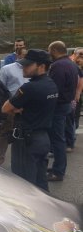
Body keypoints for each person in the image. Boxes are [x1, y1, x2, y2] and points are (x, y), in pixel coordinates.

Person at [2, 49, 58, 191]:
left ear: (41, 66)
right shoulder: (51, 84)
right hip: (43, 138)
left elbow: (5, 108)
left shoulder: (29, 87)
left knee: (24, 185)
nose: (23, 68)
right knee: (40, 182)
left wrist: (17, 108)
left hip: (26, 140)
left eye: (28, 65)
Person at [46, 41, 79, 182]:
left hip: (58, 106)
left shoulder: (58, 65)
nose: (48, 54)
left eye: (49, 51)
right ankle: (57, 167)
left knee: (58, 139)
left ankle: (58, 171)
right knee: (59, 138)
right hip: (65, 104)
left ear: (54, 50)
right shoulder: (70, 63)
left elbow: (54, 89)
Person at [0, 48, 28, 165]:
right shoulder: (7, 69)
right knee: (5, 131)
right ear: (17, 55)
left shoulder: (31, 69)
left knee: (23, 132)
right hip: (11, 105)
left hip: (26, 107)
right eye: (24, 55)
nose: (26, 58)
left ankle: (20, 158)